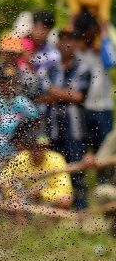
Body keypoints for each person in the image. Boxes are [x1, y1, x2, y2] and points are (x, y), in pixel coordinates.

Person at [39, 29, 92, 210]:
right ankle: (56, 213)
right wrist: (65, 94)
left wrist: (54, 92)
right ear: (57, 44)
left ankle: (81, 212)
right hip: (52, 129)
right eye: (62, 41)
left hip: (75, 130)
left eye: (70, 41)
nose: (65, 44)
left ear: (76, 45)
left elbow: (79, 96)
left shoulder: (83, 68)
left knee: (77, 172)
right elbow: (41, 97)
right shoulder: (50, 69)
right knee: (54, 173)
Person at [0, 65, 39, 183]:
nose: (8, 85)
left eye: (12, 81)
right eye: (4, 81)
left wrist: (24, 142)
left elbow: (36, 124)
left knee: (15, 185)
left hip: (16, 152)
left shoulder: (23, 102)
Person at [0, 125, 73, 211]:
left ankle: (50, 220)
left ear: (47, 147)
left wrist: (42, 193)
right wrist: (12, 195)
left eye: (41, 147)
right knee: (12, 202)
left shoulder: (56, 159)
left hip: (46, 200)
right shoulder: (20, 159)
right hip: (24, 199)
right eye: (34, 147)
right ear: (28, 148)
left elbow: (65, 190)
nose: (37, 151)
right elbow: (4, 179)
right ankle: (21, 219)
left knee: (65, 200)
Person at [72, 12, 114, 157]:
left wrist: (104, 36)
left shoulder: (101, 49)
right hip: (82, 108)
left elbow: (111, 61)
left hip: (103, 107)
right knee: (81, 152)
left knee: (104, 152)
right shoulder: (77, 52)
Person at [0, 35, 41, 102]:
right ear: (1, 54)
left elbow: (33, 99)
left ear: (20, 55)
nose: (11, 56)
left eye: (14, 53)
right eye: (7, 53)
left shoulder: (28, 78)